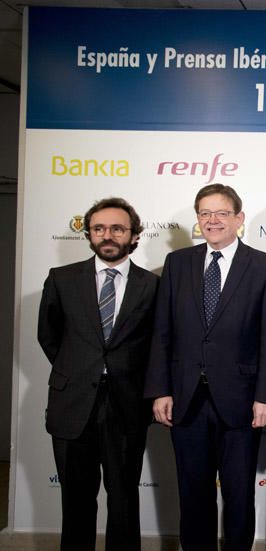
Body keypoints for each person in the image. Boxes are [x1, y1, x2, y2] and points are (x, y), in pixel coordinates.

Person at [144, 183, 266, 551]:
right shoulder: (178, 263)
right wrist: (161, 389)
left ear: (239, 218)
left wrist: (265, 396)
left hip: (240, 402)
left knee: (239, 496)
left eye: (221, 213)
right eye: (205, 213)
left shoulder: (265, 266)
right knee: (193, 495)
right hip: (187, 400)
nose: (212, 220)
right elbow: (162, 332)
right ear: (197, 220)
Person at [37, 197, 158, 551]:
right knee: (75, 500)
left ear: (134, 236)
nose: (108, 235)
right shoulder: (61, 279)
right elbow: (50, 336)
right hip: (72, 403)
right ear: (88, 234)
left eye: (118, 228)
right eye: (99, 228)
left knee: (123, 499)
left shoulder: (151, 286)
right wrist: (81, 370)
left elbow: (155, 345)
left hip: (127, 405)